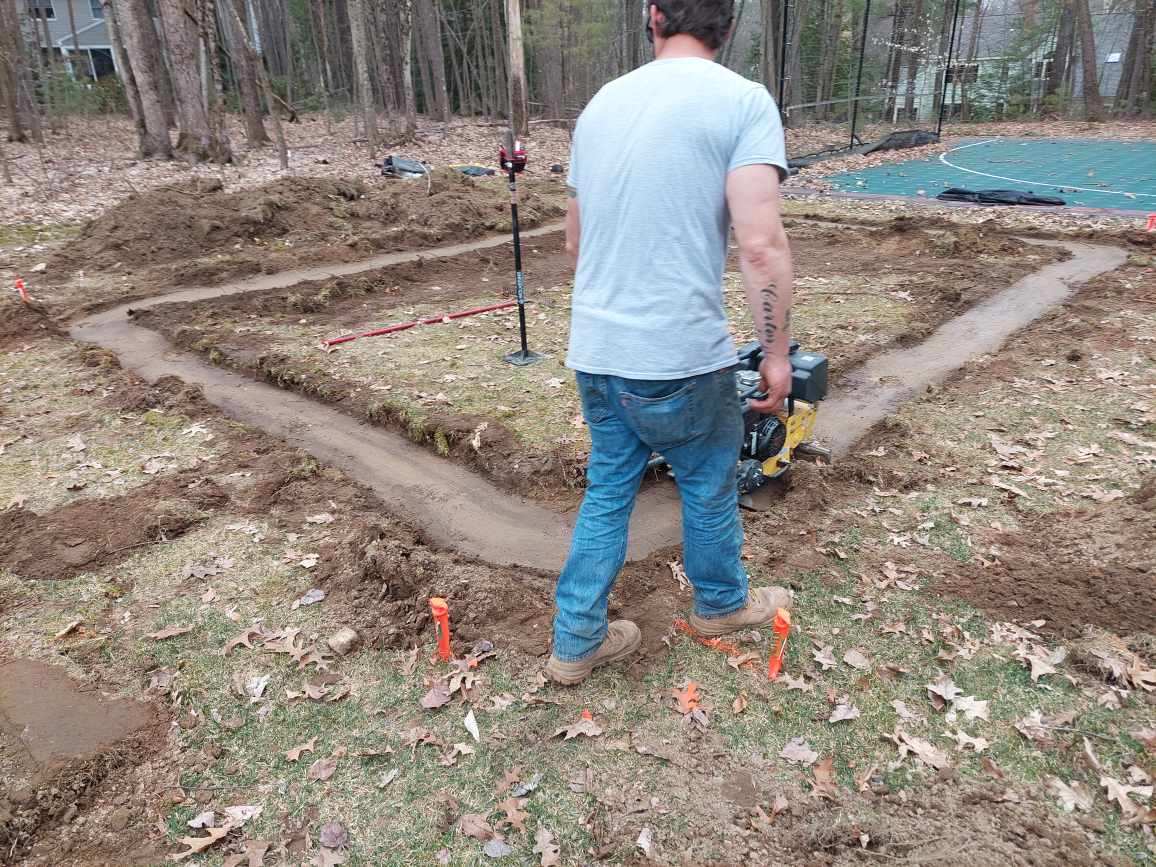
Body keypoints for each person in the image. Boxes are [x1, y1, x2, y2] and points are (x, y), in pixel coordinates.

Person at [545, 0, 796, 685]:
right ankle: (720, 603)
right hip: (681, 357)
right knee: (709, 485)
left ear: (654, 16)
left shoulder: (600, 106)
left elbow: (574, 241)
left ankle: (574, 642)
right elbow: (761, 244)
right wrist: (775, 354)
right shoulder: (742, 102)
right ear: (727, 24)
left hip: (597, 351)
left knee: (608, 491)